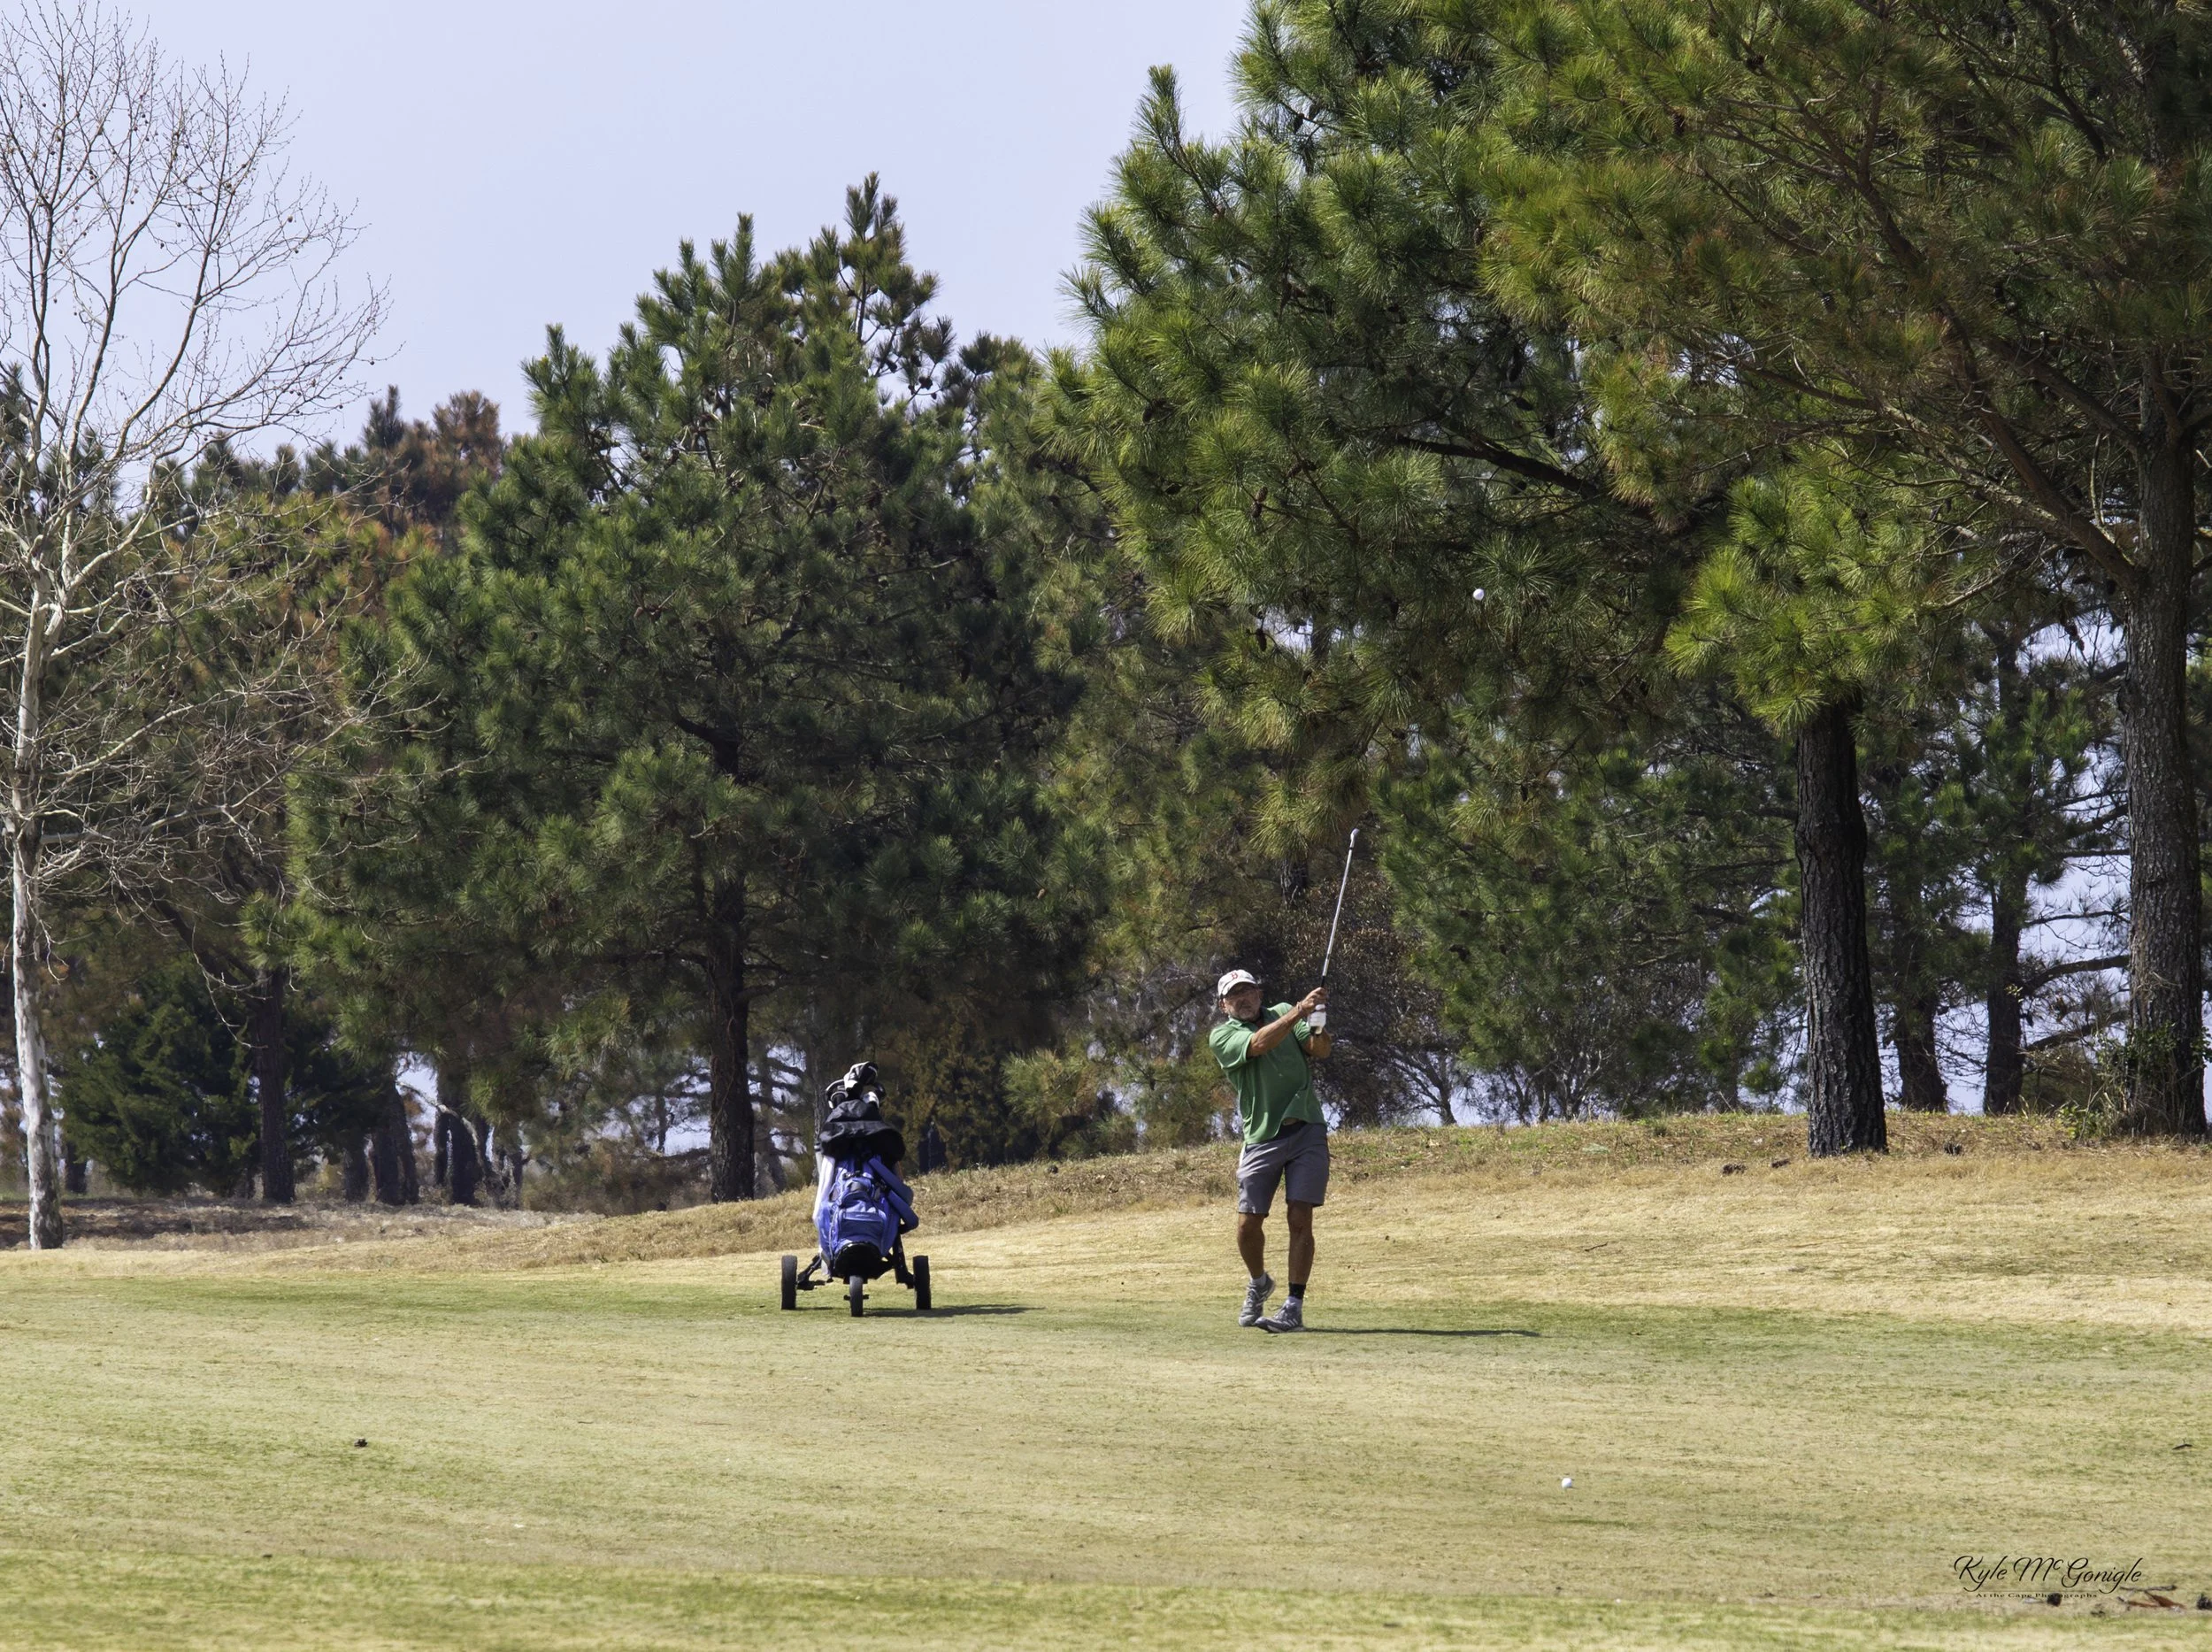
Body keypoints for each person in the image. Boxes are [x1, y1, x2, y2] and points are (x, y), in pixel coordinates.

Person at [1209, 968, 1330, 1333]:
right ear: (1223, 1005)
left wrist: (1318, 1020)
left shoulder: (1282, 1012)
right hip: (1262, 1136)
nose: (1243, 999)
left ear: (1260, 993)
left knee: (1300, 1218)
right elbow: (1260, 1044)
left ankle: (1293, 1306)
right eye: (1235, 995)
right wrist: (1299, 1012)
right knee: (1248, 1224)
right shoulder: (1222, 1035)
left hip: (1306, 1126)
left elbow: (1319, 1050)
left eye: (1248, 991)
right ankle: (1260, 1281)